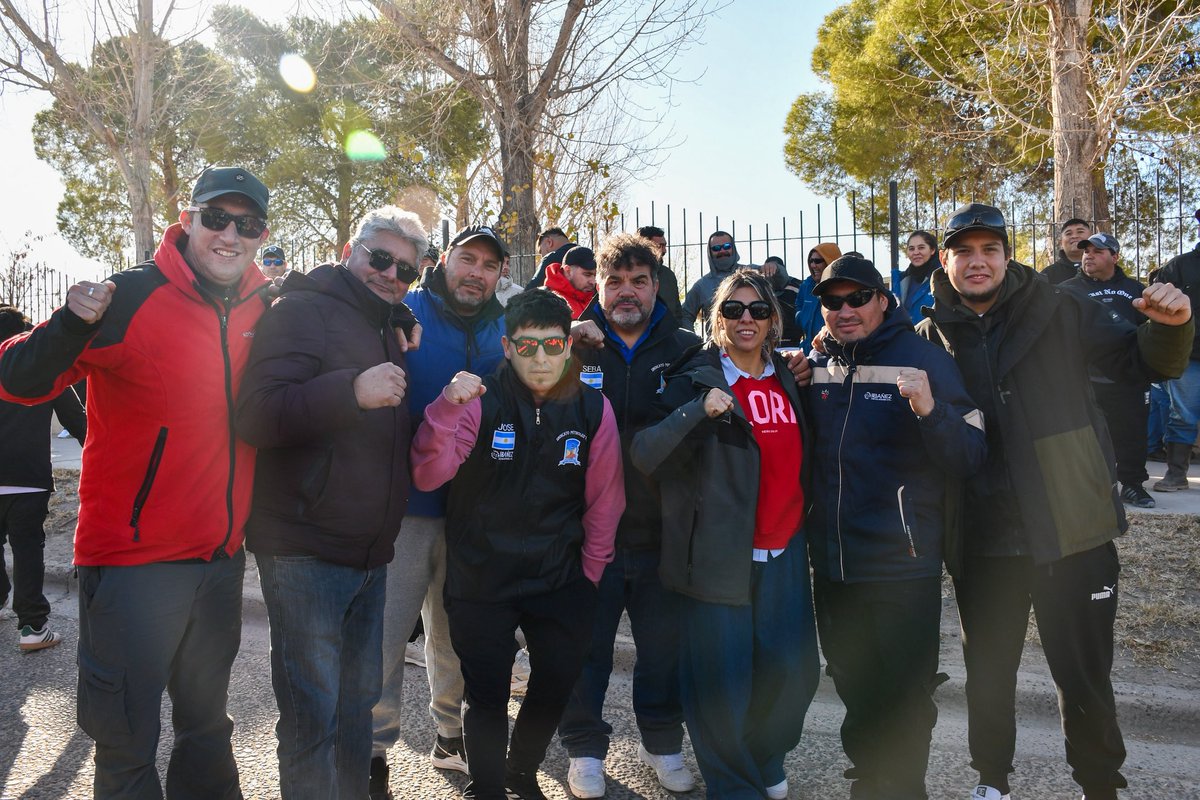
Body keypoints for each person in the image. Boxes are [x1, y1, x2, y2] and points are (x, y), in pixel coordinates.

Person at [0, 165, 273, 798]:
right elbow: (17, 379)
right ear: (188, 220)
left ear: (262, 234)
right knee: (125, 744)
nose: (231, 234)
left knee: (207, 729)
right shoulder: (129, 296)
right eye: (217, 218)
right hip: (131, 565)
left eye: (248, 223)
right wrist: (69, 323)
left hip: (219, 562)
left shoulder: (265, 307)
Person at [918, 202, 1193, 800]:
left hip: (1073, 526)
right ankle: (992, 783)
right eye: (963, 250)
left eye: (990, 248)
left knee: (1084, 677)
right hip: (984, 538)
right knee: (988, 677)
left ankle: (1100, 786)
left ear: (1007, 255)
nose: (977, 261)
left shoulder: (1060, 306)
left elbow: (1139, 360)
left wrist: (1171, 325)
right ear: (945, 260)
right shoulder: (930, 332)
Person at [234, 206, 425, 799]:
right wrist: (351, 391)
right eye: (381, 257)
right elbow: (257, 415)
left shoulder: (383, 320)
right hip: (305, 551)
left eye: (406, 270)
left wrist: (396, 313)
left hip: (368, 553)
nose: (391, 273)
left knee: (354, 713)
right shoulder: (302, 310)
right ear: (351, 249)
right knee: (313, 716)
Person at [410, 288, 624, 800]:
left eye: (553, 345)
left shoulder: (594, 408)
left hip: (560, 575)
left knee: (554, 681)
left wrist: (591, 572)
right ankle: (487, 787)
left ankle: (521, 772)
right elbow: (427, 474)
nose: (542, 359)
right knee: (485, 695)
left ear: (567, 346)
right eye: (527, 348)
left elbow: (606, 498)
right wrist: (443, 409)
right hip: (482, 576)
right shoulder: (477, 399)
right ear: (507, 347)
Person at [631, 270, 821, 800]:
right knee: (721, 684)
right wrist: (698, 410)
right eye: (733, 310)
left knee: (795, 673)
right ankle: (733, 785)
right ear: (716, 319)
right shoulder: (696, 378)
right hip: (718, 556)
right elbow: (646, 454)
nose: (746, 319)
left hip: (783, 550)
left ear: (773, 321)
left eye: (758, 310)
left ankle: (763, 758)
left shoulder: (788, 374)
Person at [806, 256, 986, 800]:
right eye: (832, 301)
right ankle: (867, 775)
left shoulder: (925, 359)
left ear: (883, 300)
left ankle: (906, 785)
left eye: (857, 297)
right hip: (833, 562)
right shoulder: (815, 363)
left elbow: (971, 455)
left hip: (900, 562)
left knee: (906, 692)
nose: (844, 310)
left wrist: (931, 410)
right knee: (852, 680)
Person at [559, 233, 700, 798]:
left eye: (638, 281)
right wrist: (565, 341)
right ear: (599, 283)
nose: (626, 292)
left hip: (661, 531)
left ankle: (661, 741)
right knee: (584, 649)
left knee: (663, 649)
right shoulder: (575, 342)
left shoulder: (686, 348)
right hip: (585, 532)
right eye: (614, 280)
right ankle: (585, 749)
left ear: (655, 284)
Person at [371, 224, 509, 797]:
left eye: (489, 265)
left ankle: (451, 736)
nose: (476, 272)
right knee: (385, 634)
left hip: (475, 514)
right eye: (467, 259)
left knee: (456, 637)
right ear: (443, 261)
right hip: (404, 507)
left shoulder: (508, 326)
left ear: (500, 274)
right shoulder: (404, 310)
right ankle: (374, 749)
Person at [0, 305, 86, 652]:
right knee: (27, 548)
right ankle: (33, 625)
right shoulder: (43, 371)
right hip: (28, 477)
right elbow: (79, 423)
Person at [1061, 233, 1155, 508]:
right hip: (1083, 378)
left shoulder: (1136, 290)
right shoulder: (1066, 290)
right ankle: (1089, 487)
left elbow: (1149, 332)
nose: (1089, 255)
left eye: (1098, 251)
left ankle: (1133, 485)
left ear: (1114, 257)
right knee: (1082, 434)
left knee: (1132, 433)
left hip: (1128, 379)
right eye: (1086, 250)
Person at [1150, 209, 1200, 491]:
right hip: (1189, 355)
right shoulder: (1179, 266)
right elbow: (1156, 308)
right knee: (1182, 415)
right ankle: (1176, 474)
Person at [680, 230, 743, 333]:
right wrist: (692, 342)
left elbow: (778, 282)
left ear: (733, 248)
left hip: (752, 344)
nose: (722, 251)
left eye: (727, 246)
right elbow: (685, 315)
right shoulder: (702, 285)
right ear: (710, 252)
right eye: (716, 248)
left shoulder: (753, 274)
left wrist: (774, 266)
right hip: (716, 346)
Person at [795, 242, 843, 351]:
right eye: (811, 261)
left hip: (833, 351)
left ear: (830, 261)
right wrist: (801, 317)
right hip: (808, 350)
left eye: (817, 261)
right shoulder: (806, 285)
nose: (813, 265)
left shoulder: (842, 286)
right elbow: (798, 305)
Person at [636, 225, 683, 327]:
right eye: (659, 246)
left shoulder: (669, 276)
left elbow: (677, 313)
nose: (664, 250)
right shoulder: (628, 274)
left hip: (668, 337)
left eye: (665, 246)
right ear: (644, 246)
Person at [897, 231, 941, 325]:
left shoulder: (944, 276)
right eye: (911, 249)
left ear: (932, 250)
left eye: (921, 247)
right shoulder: (900, 279)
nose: (916, 252)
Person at [543, 245, 598, 318]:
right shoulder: (545, 302)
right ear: (568, 271)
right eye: (587, 274)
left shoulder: (598, 301)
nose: (593, 282)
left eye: (595, 275)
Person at [1042, 217, 1093, 284]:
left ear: (1092, 237)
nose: (1074, 236)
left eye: (1080, 232)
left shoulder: (1104, 268)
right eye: (1068, 233)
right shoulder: (1048, 275)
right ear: (1061, 242)